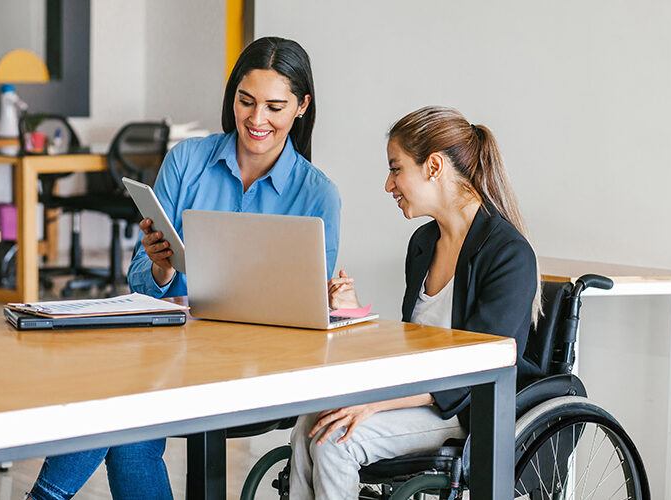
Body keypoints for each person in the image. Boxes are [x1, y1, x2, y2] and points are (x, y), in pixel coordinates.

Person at [27, 36, 341, 500]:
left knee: (122, 403)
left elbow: (307, 313)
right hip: (171, 353)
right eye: (246, 101)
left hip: (258, 367)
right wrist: (159, 270)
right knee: (128, 424)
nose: (257, 120)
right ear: (231, 96)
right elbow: (139, 279)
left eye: (275, 107)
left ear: (302, 106)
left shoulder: (318, 194)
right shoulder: (188, 161)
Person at [288, 106, 541, 499]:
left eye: (396, 169)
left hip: (468, 408)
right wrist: (353, 313)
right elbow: (414, 342)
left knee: (334, 439)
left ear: (434, 166)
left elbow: (478, 369)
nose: (389, 185)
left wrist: (375, 405)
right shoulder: (423, 244)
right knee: (309, 423)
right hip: (419, 393)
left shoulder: (508, 253)